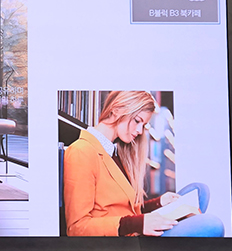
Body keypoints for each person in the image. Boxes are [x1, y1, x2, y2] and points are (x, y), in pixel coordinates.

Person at [63, 90, 183, 236]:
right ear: (116, 110)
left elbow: (123, 209)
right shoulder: (81, 151)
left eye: (143, 125)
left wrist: (158, 203)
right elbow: (77, 228)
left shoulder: (115, 153)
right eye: (137, 121)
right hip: (117, 244)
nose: (140, 131)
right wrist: (138, 224)